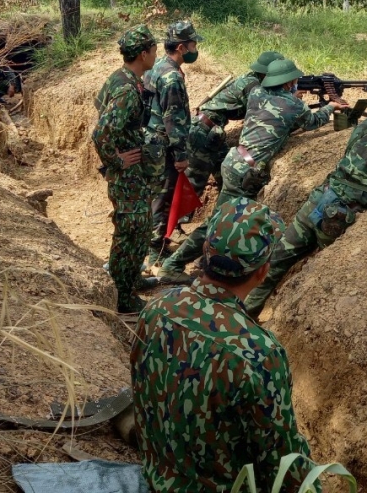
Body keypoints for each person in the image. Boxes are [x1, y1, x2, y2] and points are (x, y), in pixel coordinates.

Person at [131, 197, 315, 493]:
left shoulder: (157, 309)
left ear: (205, 251)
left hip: (156, 477)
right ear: (262, 271)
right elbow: (282, 460)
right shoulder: (259, 353)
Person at [245, 82, 367, 316]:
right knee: (322, 272)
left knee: (276, 261)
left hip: (320, 199)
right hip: (340, 214)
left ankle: (245, 311)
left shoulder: (363, 128)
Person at [155, 50, 284, 281]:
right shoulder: (253, 86)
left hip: (211, 134)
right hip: (204, 136)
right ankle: (158, 245)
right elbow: (264, 115)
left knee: (229, 186)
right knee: (192, 190)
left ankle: (217, 242)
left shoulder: (250, 80)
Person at [91, 24, 158, 314]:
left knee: (136, 228)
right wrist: (117, 161)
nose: (156, 55)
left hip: (129, 172)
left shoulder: (120, 78)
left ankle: (129, 280)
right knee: (133, 230)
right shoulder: (128, 89)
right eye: (154, 51)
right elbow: (101, 132)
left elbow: (100, 107)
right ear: (143, 54)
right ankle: (124, 295)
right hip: (126, 175)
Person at [216, 58, 346, 206]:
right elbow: (313, 122)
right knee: (234, 220)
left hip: (233, 160)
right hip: (247, 171)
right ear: (289, 82)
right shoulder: (293, 104)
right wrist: (331, 106)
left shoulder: (256, 92)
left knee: (220, 215)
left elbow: (275, 107)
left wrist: (292, 95)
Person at [142, 20, 201, 258]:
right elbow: (172, 120)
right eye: (193, 44)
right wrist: (181, 155)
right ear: (181, 47)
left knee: (154, 194)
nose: (196, 49)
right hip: (163, 145)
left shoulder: (156, 67)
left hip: (150, 140)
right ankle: (156, 250)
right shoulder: (171, 78)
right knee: (163, 197)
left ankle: (151, 242)